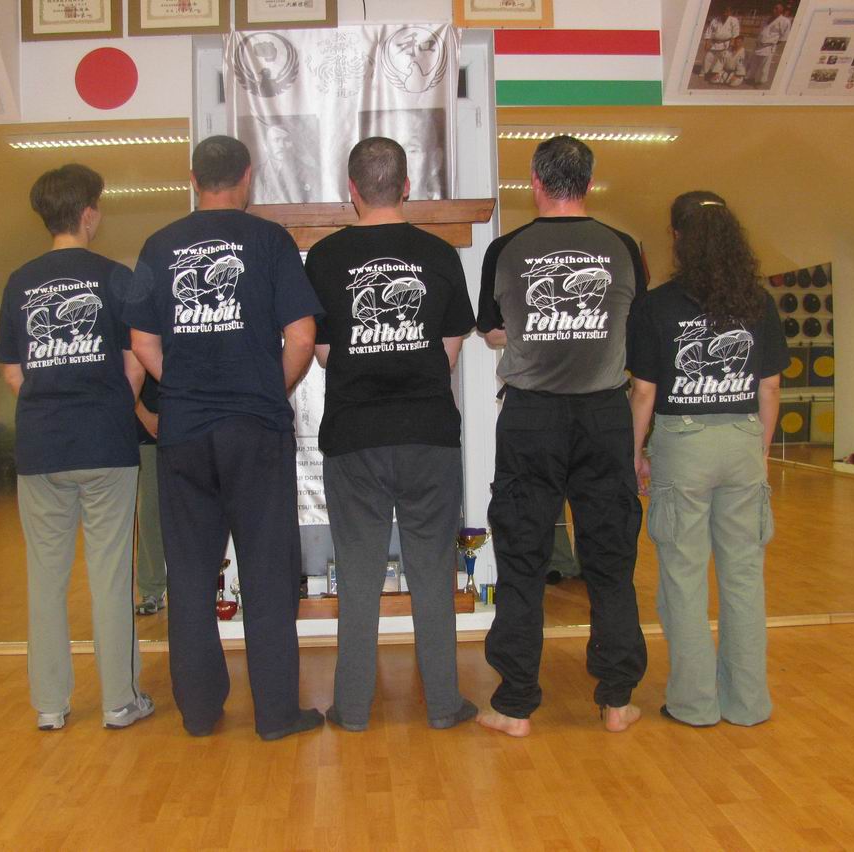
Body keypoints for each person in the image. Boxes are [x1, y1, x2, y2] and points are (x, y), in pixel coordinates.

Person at [124, 135, 324, 741]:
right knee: (267, 572)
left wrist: (187, 386)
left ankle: (200, 712)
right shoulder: (270, 241)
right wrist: (265, 388)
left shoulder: (158, 245)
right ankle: (276, 715)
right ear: (247, 176)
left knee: (189, 574)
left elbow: (142, 341)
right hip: (254, 429)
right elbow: (302, 336)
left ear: (192, 178)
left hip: (184, 431)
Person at [475, 135, 648, 737]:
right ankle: (617, 699)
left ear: (535, 182)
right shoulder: (624, 246)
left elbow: (491, 331)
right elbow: (633, 326)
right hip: (604, 416)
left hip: (532, 419)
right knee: (610, 558)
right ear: (589, 183)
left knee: (522, 558)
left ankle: (514, 705)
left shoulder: (505, 249)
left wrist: (531, 330)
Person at [304, 137, 478, 732]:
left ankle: (352, 709)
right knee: (432, 573)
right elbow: (448, 353)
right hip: (428, 434)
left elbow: (324, 354)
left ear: (352, 190)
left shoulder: (324, 258)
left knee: (357, 576)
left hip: (355, 437)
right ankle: (444, 705)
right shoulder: (439, 254)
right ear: (406, 186)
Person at [0, 163, 152, 732]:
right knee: (111, 575)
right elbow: (136, 361)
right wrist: (107, 404)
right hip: (106, 445)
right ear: (88, 214)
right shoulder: (115, 277)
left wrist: (50, 403)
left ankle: (50, 705)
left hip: (42, 448)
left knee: (45, 578)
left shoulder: (20, 282)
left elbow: (13, 371)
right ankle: (119, 701)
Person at [627, 191, 785, 728]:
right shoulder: (758, 303)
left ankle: (695, 704)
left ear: (678, 237)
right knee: (744, 578)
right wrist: (760, 450)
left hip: (684, 447)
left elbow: (643, 393)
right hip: (743, 441)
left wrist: (634, 454)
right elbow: (769, 388)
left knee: (684, 578)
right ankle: (748, 703)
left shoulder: (656, 306)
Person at [134, 376, 167, 615]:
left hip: (191, 424)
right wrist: (144, 416)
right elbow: (127, 375)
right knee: (149, 511)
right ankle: (152, 589)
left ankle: (197, 589)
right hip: (147, 431)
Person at [749, 4, 792, 87]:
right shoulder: (767, 19)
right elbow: (762, 31)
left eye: (776, 8)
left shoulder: (785, 21)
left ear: (781, 10)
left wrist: (772, 44)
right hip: (759, 45)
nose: (774, 10)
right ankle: (751, 78)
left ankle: (759, 82)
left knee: (764, 66)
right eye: (773, 8)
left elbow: (784, 37)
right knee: (754, 63)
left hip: (769, 46)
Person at [702, 6, 740, 82]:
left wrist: (732, 44)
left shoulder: (734, 20)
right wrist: (707, 43)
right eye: (723, 12)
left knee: (722, 60)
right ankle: (704, 72)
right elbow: (709, 31)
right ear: (720, 12)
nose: (725, 14)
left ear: (730, 13)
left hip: (726, 43)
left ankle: (717, 73)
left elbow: (735, 33)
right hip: (715, 43)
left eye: (727, 12)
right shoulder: (715, 20)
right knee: (708, 57)